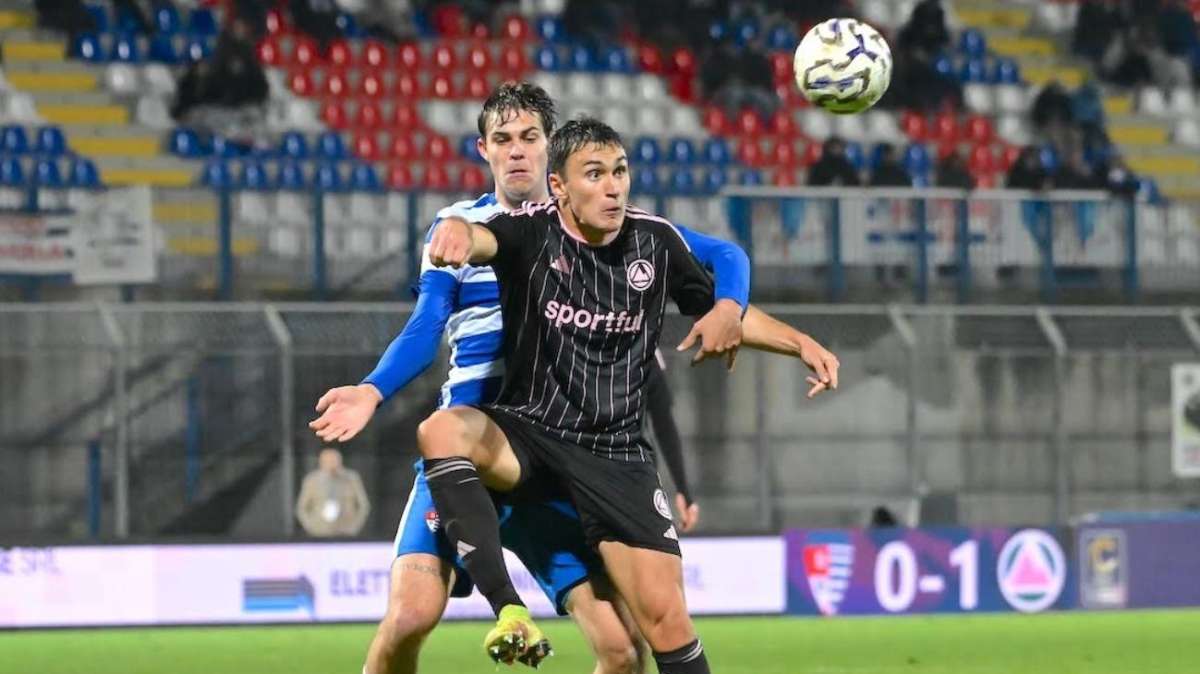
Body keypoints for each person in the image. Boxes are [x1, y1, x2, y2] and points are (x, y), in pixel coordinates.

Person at [310, 82, 758, 674]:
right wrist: (372, 389)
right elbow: (425, 328)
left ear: (551, 149)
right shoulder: (458, 227)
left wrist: (729, 306)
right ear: (483, 150)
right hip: (469, 455)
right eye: (503, 140)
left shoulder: (595, 228)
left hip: (556, 460)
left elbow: (726, 256)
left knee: (624, 651)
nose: (517, 151)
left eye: (530, 137)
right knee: (411, 616)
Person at [416, 118, 840, 672]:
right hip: (530, 436)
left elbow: (717, 304)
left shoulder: (655, 242)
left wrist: (799, 342)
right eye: (595, 174)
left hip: (615, 457)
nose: (614, 187)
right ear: (561, 188)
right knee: (440, 430)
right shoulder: (529, 234)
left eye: (620, 172)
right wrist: (455, 230)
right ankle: (508, 608)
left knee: (664, 629)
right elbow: (482, 238)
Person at [295, 448, 371, 537]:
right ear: (321, 462)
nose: (331, 463)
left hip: (346, 532)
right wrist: (311, 528)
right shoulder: (311, 480)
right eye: (327, 461)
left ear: (340, 461)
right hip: (319, 532)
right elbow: (301, 508)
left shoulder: (352, 478)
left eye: (334, 460)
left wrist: (354, 527)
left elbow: (364, 506)